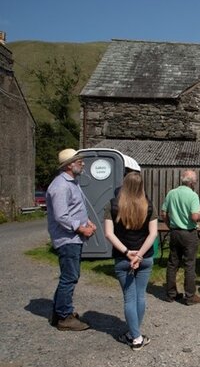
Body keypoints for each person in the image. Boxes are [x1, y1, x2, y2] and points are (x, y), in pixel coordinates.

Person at [104, 172, 157, 350]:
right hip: (145, 256)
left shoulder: (112, 205)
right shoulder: (149, 205)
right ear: (142, 186)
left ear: (124, 184)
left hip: (122, 257)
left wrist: (128, 253)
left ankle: (135, 337)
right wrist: (140, 255)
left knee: (129, 298)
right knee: (140, 296)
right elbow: (153, 234)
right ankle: (135, 333)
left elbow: (108, 234)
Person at [47, 148, 96, 331]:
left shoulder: (71, 182)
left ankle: (59, 313)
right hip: (67, 239)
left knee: (69, 276)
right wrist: (82, 228)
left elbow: (76, 208)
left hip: (72, 238)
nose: (82, 163)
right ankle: (64, 317)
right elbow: (61, 216)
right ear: (69, 165)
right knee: (70, 277)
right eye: (79, 161)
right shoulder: (60, 186)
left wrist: (88, 222)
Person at [161, 170, 200, 306]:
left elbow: (163, 213)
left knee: (173, 263)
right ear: (192, 182)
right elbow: (194, 217)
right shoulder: (193, 196)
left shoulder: (171, 193)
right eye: (195, 181)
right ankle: (190, 295)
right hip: (189, 233)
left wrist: (169, 225)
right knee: (189, 264)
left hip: (174, 232)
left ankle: (171, 294)